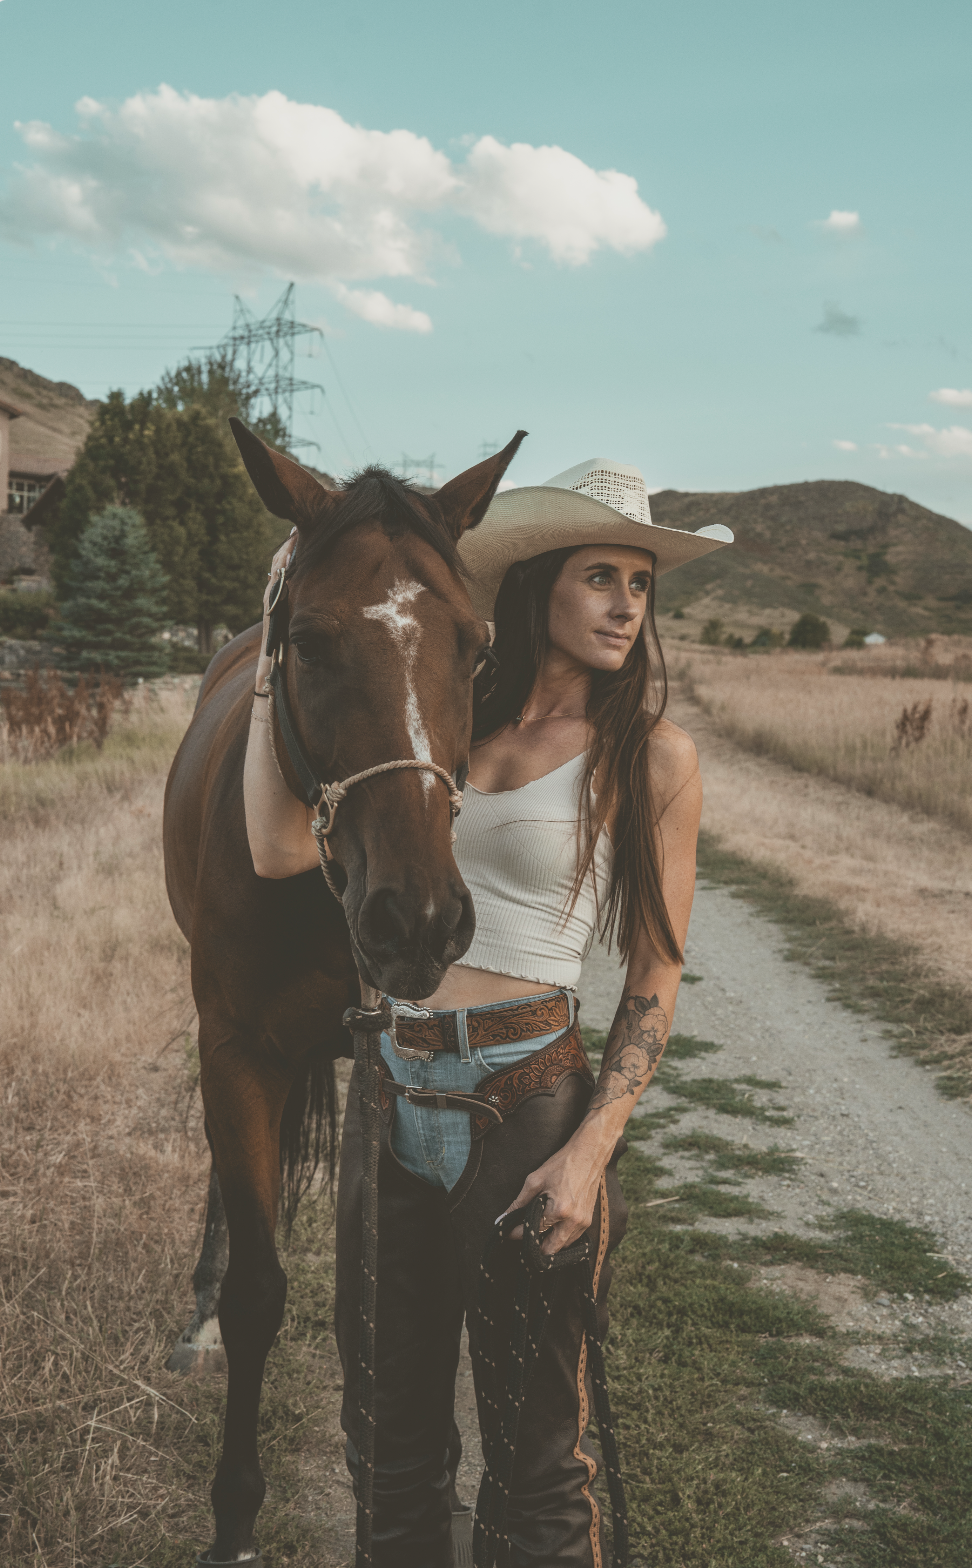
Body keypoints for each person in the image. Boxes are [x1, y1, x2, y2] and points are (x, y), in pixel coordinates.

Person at [244, 456, 730, 1568]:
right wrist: (278, 625)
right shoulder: (445, 737)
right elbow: (277, 845)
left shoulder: (648, 756)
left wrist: (590, 1151)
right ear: (539, 583)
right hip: (389, 1089)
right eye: (600, 574)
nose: (624, 603)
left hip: (529, 1102)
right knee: (387, 1447)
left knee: (537, 1463)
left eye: (641, 583)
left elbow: (656, 971)